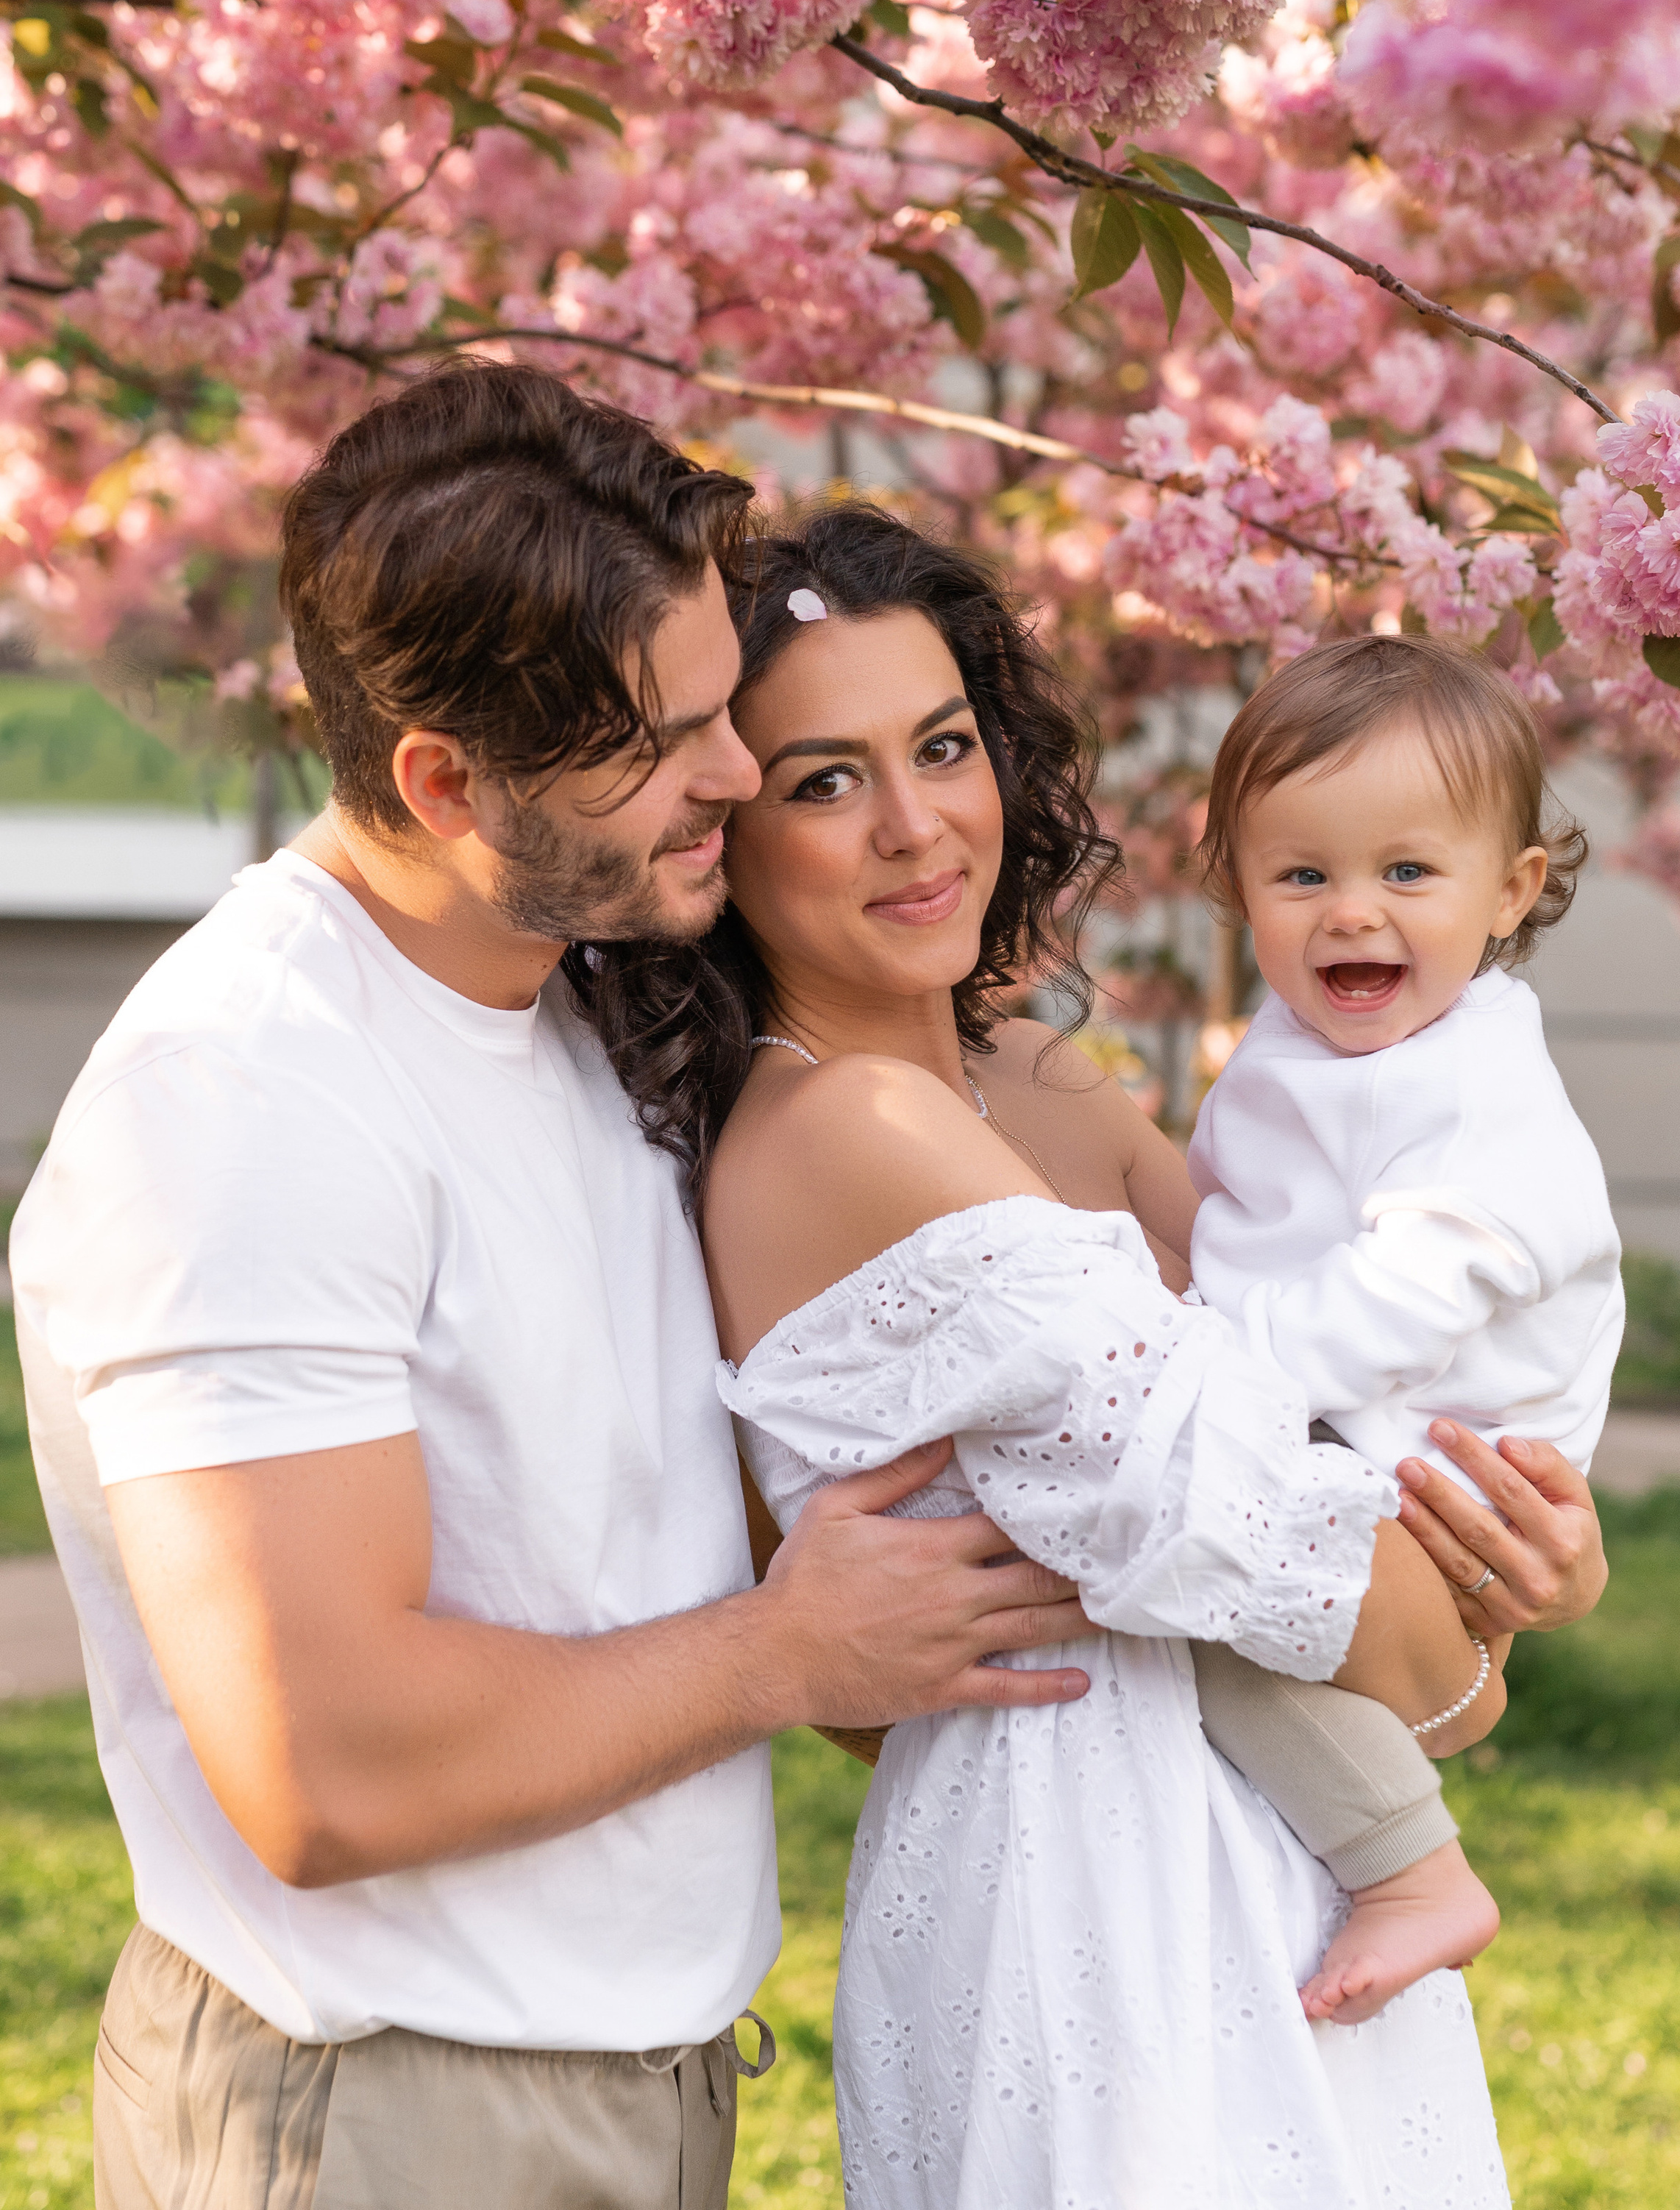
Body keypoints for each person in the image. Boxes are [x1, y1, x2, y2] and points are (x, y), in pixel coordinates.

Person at [9, 365, 1098, 2210]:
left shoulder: (595, 1001)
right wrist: (780, 1648)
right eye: (667, 739)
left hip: (637, 2092)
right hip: (390, 2123)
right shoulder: (249, 1100)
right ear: (444, 781)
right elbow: (322, 1763)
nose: (736, 774)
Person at [576, 504, 1612, 2210]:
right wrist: (1467, 1638)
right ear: (722, 824)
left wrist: (1518, 1561)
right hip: (1090, 1884)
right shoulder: (849, 1128)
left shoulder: (1037, 1084)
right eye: (823, 779)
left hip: (1289, 1850)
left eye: (942, 746)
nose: (916, 826)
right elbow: (1296, 1554)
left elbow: (1332, 1457)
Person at [1182, 635, 1626, 2027]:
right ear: (1238, 888)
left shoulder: (1480, 1083)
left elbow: (1409, 1294)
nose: (1350, 913)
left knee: (1191, 1605)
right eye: (1301, 875)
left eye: (1407, 873)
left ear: (1512, 892)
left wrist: (1209, 1370)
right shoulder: (1310, 1049)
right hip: (1340, 1414)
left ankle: (1413, 1866)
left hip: (1444, 1454)